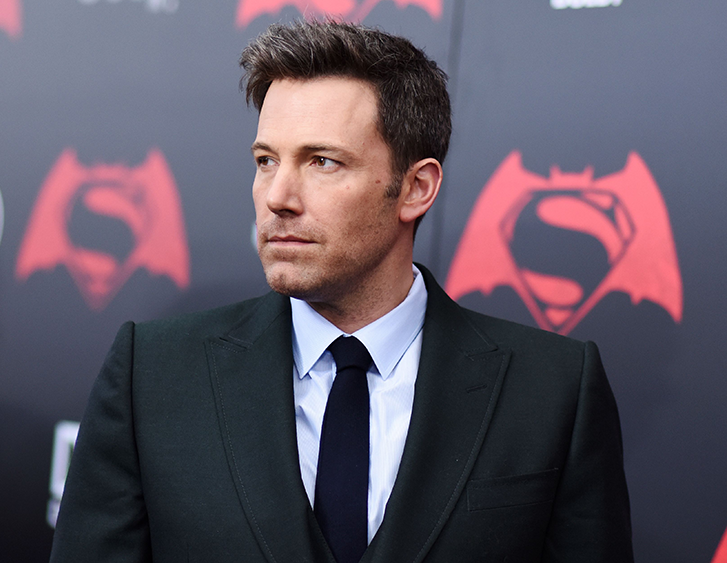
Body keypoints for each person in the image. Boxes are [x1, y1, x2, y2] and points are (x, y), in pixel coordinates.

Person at [50, 20, 633, 563]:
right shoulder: (152, 376)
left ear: (416, 188)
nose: (277, 197)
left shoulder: (553, 390)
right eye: (266, 160)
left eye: (322, 162)